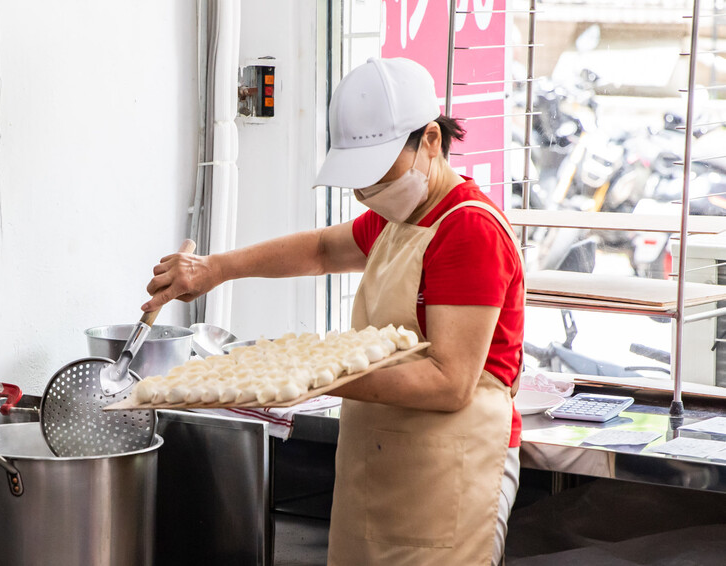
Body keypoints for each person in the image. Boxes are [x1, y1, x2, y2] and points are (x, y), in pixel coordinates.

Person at [142, 57, 524, 566]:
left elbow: (449, 381)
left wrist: (312, 378)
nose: (367, 194)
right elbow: (321, 250)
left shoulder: (468, 230)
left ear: (431, 140)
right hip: (384, 459)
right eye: (359, 181)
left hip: (451, 469)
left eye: (379, 175)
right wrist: (214, 270)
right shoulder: (401, 217)